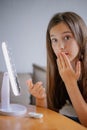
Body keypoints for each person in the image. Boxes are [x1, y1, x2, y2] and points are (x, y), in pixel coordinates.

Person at [27, 12, 87, 127]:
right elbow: (52, 113)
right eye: (54, 40)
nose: (61, 46)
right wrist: (41, 99)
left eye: (67, 37)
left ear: (81, 36)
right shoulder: (59, 68)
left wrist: (70, 82)